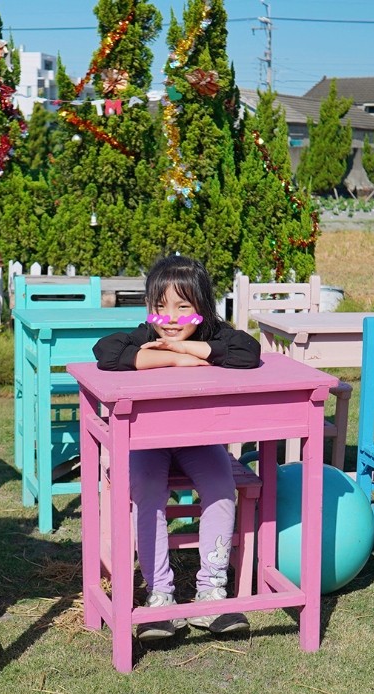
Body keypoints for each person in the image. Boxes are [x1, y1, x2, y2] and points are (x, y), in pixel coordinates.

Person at [93, 255, 261, 641]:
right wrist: (172, 356)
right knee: (147, 491)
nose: (170, 318)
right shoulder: (145, 335)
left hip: (199, 441)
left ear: (202, 308)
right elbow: (106, 351)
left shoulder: (214, 334)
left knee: (221, 488)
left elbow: (248, 352)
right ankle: (160, 597)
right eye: (160, 306)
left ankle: (211, 592)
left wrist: (193, 350)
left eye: (183, 307)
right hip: (146, 443)